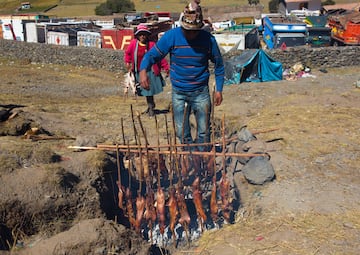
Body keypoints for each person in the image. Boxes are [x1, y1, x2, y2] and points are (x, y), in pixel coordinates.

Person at [139, 0, 224, 151]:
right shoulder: (172, 37)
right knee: (181, 131)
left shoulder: (208, 40)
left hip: (201, 92)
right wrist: (143, 70)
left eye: (194, 31)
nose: (191, 34)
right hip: (179, 93)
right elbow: (152, 56)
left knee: (204, 130)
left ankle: (202, 158)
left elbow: (219, 65)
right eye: (187, 30)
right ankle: (189, 157)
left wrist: (219, 89)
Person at [124, 24, 169, 117]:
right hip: (139, 71)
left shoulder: (152, 45)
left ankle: (151, 107)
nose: (142, 36)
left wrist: (166, 67)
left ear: (147, 35)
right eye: (140, 34)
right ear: (137, 35)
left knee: (149, 90)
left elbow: (159, 57)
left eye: (144, 34)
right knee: (145, 91)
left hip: (150, 71)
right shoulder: (133, 44)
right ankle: (150, 106)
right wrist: (127, 62)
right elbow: (128, 53)